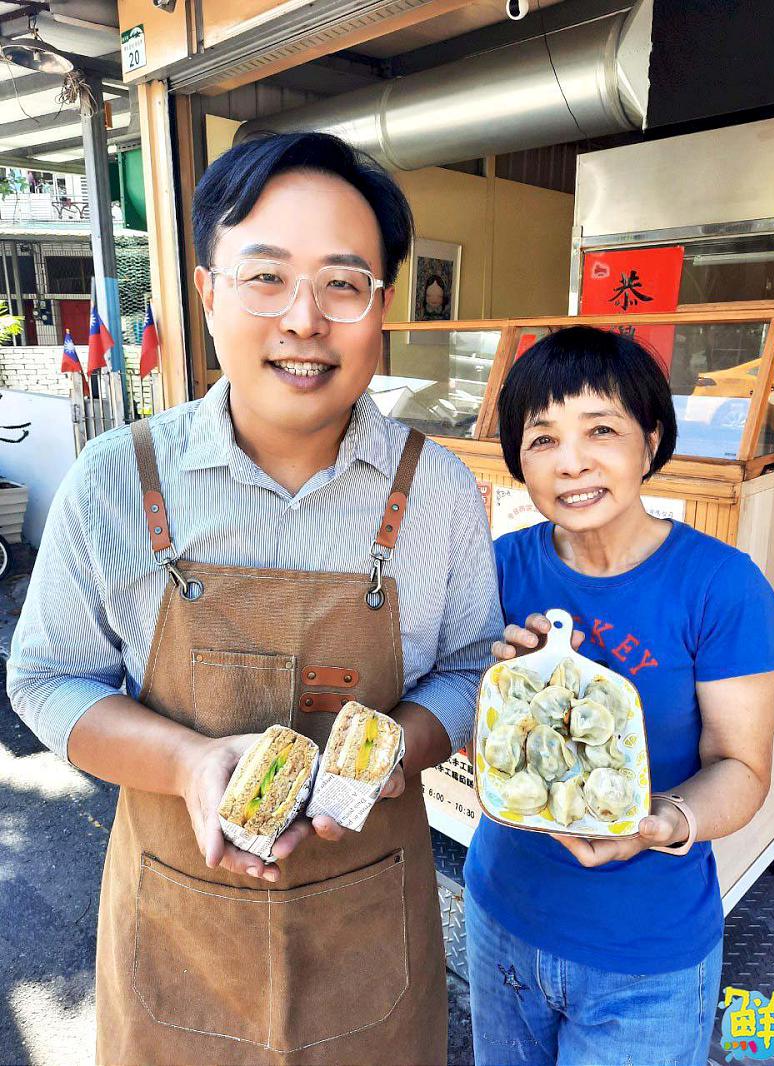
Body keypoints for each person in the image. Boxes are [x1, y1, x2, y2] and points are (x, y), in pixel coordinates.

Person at [8, 131, 502, 1066]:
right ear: (204, 292)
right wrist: (191, 763)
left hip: (375, 943)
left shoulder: (435, 490)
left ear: (380, 305)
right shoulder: (118, 480)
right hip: (175, 939)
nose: (304, 319)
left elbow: (473, 666)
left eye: (343, 284)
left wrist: (400, 746)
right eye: (265, 277)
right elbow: (45, 679)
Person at [464, 326, 774, 1066]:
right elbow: (465, 738)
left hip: (647, 954)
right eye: (541, 439)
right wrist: (490, 695)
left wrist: (657, 823)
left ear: (651, 439)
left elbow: (741, 768)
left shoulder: (720, 586)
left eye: (600, 429)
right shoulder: (496, 569)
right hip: (501, 915)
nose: (571, 461)